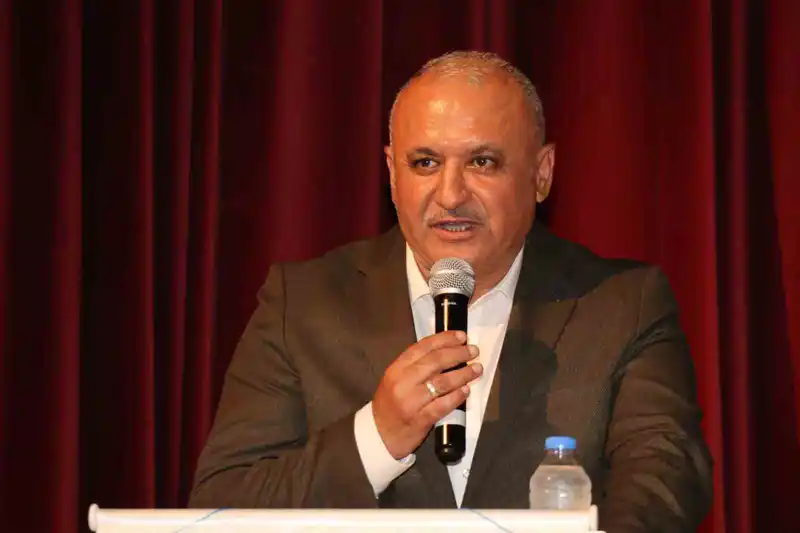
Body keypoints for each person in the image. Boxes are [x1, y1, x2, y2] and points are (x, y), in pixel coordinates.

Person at [188, 51, 713, 532]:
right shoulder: (302, 304)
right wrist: (376, 437)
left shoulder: (624, 305)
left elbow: (663, 486)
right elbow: (222, 503)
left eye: (482, 162)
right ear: (392, 173)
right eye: (425, 163)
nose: (451, 194)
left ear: (541, 174)